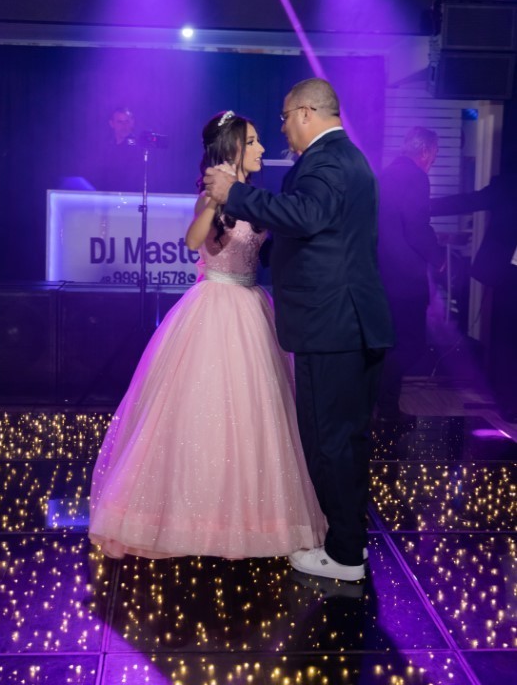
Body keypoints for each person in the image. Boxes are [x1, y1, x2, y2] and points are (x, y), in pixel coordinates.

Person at [89, 110, 326, 560]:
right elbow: (192, 241)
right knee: (203, 411)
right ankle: (187, 519)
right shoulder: (211, 195)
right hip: (215, 306)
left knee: (256, 413)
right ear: (233, 148)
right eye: (252, 142)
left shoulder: (255, 196)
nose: (260, 149)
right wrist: (216, 201)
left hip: (252, 305)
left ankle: (250, 520)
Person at [204, 78, 393, 582]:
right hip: (346, 322)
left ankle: (345, 555)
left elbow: (308, 215)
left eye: (286, 117)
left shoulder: (327, 160)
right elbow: (321, 232)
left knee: (330, 442)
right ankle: (348, 544)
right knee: (345, 440)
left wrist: (236, 194)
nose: (283, 127)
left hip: (332, 325)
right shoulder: (344, 157)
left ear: (307, 113)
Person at [431, 170, 517, 421]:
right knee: (508, 338)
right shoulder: (511, 183)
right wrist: (423, 206)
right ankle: (509, 402)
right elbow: (470, 201)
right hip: (511, 273)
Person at [376, 127, 445, 422]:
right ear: (426, 151)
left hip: (381, 275)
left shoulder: (385, 175)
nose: (434, 160)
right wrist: (438, 257)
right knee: (413, 344)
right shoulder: (416, 177)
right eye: (435, 153)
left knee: (391, 343)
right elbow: (417, 227)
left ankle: (388, 409)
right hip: (405, 280)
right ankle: (377, 394)